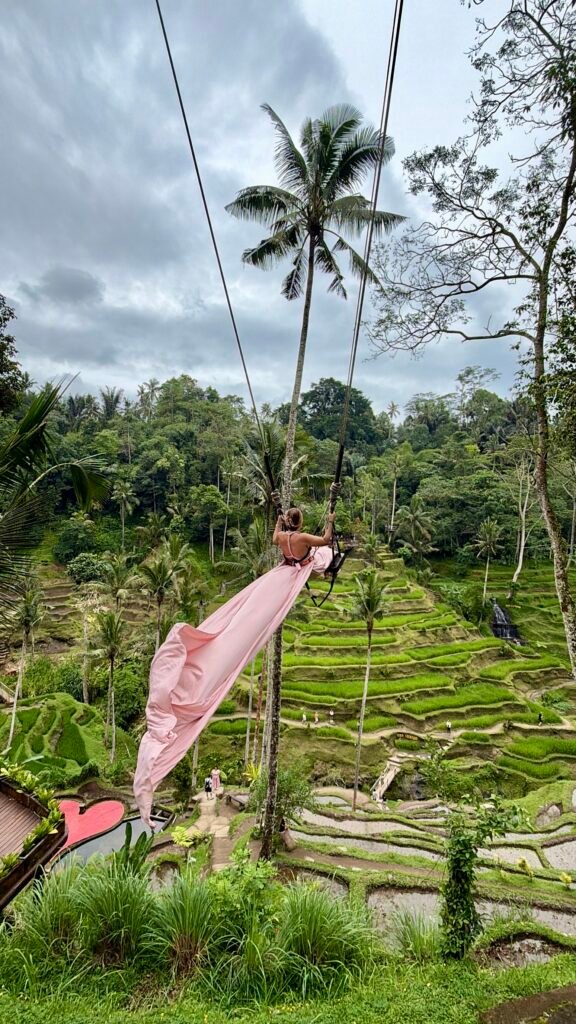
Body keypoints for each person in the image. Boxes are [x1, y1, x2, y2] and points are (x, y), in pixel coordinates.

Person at [134, 499, 337, 826]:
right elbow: (325, 541)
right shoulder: (300, 540)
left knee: (243, 619)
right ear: (300, 525)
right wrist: (330, 520)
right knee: (247, 626)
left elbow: (277, 533)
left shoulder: (281, 539)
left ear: (288, 524)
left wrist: (279, 520)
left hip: (277, 576)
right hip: (284, 582)